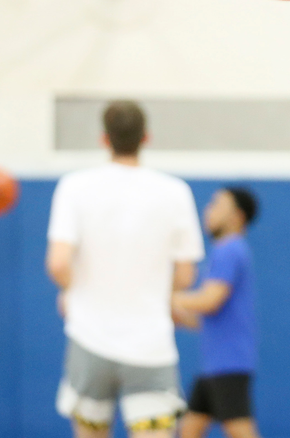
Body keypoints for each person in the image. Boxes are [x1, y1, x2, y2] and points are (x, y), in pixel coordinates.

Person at [47, 101, 205, 438]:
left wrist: (71, 291)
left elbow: (58, 263)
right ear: (146, 137)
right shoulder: (175, 192)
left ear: (104, 139)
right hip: (150, 345)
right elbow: (185, 276)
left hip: (89, 339)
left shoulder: (75, 187)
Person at [173, 187, 261, 438]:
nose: (208, 210)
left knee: (239, 430)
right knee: (189, 429)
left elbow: (210, 300)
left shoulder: (230, 250)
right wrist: (177, 312)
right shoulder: (224, 252)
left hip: (228, 363)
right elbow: (206, 318)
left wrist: (166, 297)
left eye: (217, 205)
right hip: (214, 365)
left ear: (238, 217)